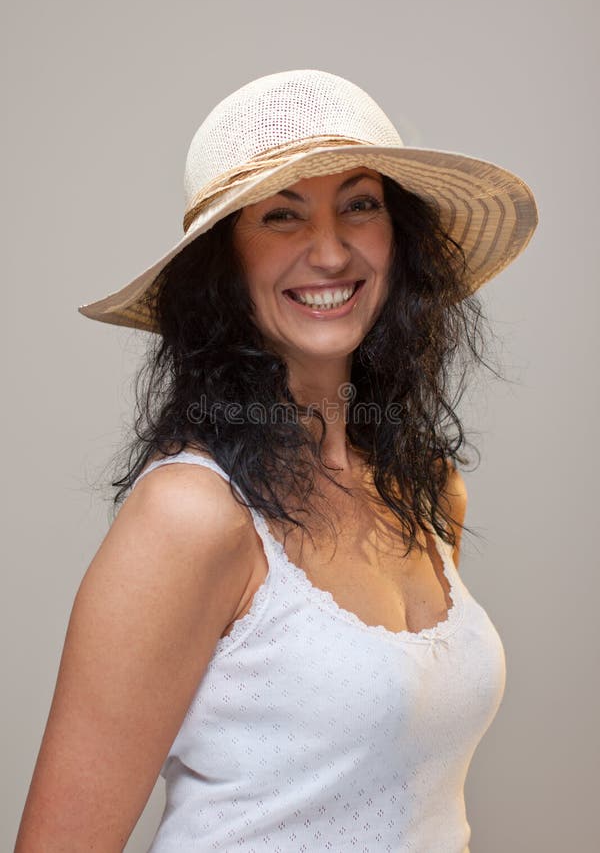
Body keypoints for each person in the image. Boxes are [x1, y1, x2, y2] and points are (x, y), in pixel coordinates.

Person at [15, 69, 538, 852]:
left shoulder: (426, 488)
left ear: (400, 235)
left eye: (360, 205)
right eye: (280, 216)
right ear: (224, 264)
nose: (329, 251)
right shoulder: (191, 516)